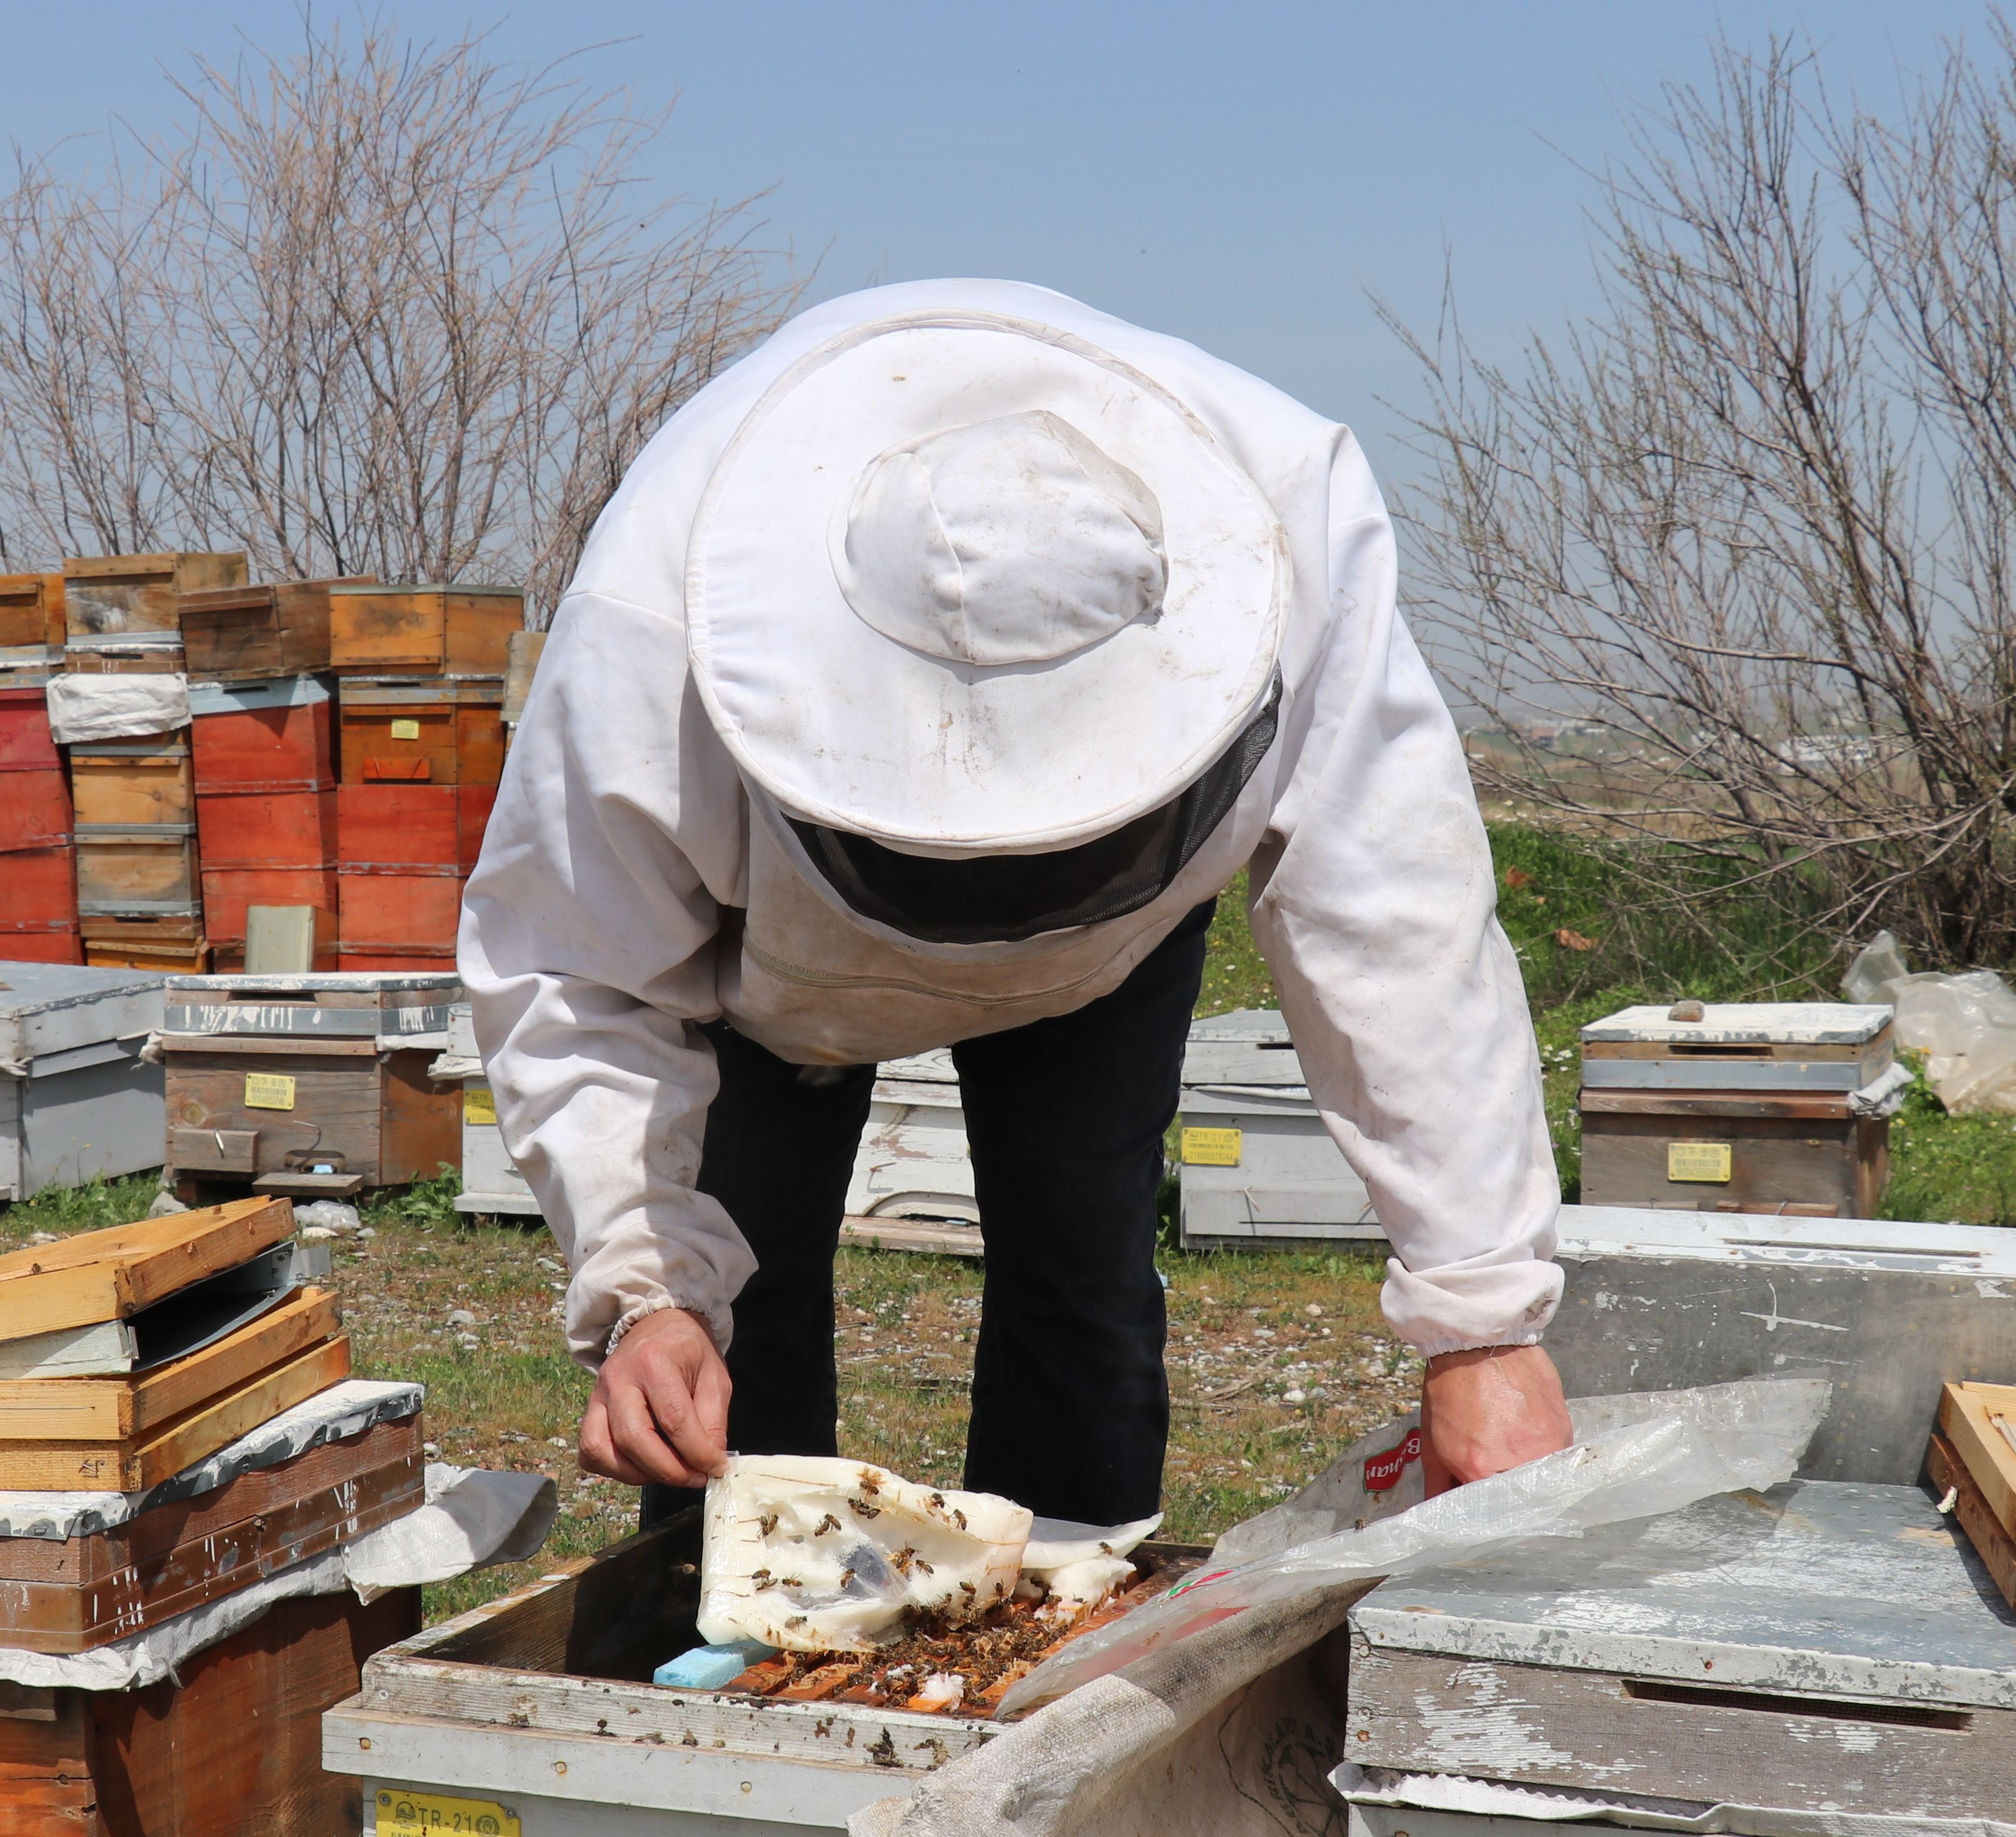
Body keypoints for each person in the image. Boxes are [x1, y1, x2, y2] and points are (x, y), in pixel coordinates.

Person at [459, 279, 1570, 1533]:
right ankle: (733, 1657)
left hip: (1108, 965)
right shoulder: (653, 603)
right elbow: (575, 963)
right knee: (731, 1330)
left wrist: (1484, 1326)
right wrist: (645, 1284)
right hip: (767, 988)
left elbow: (1398, 919)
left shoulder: (1297, 530)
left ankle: (1072, 1662)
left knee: (1081, 1286)